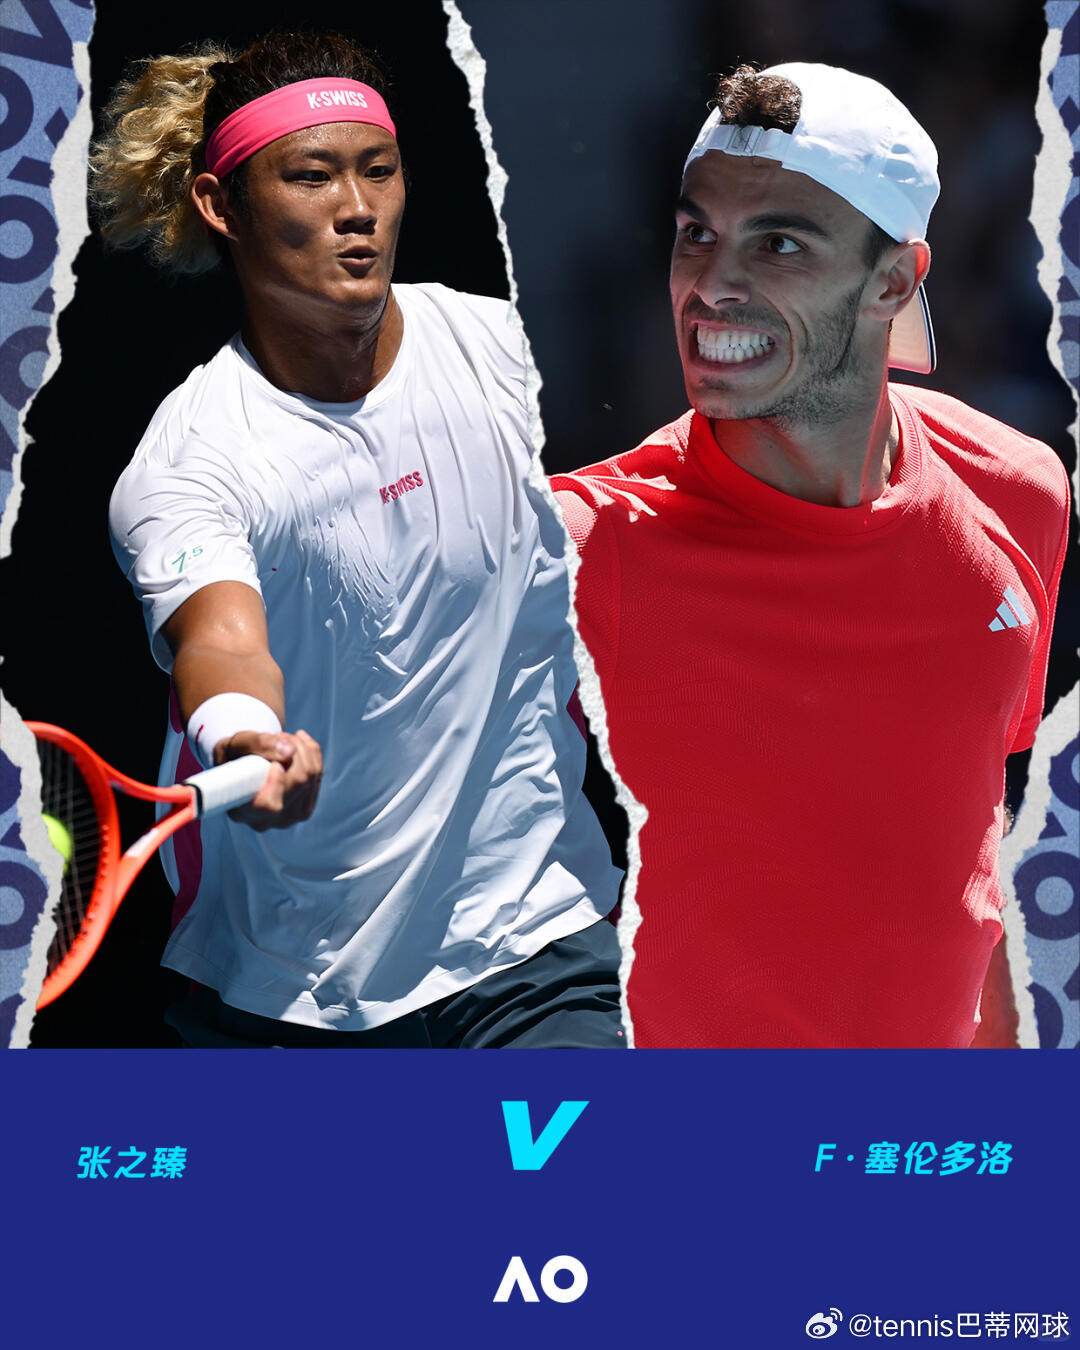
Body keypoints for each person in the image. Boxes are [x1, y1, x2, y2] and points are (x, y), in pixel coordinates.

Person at [102, 31, 624, 1048]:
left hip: (534, 941)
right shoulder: (190, 460)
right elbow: (220, 642)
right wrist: (243, 738)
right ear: (221, 205)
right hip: (293, 994)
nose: (357, 208)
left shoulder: (504, 357)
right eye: (312, 177)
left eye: (378, 170)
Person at [552, 63, 1070, 1049]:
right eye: (696, 233)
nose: (710, 285)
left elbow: (972, 846)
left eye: (777, 243)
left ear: (894, 281)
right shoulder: (580, 543)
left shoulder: (1022, 490)